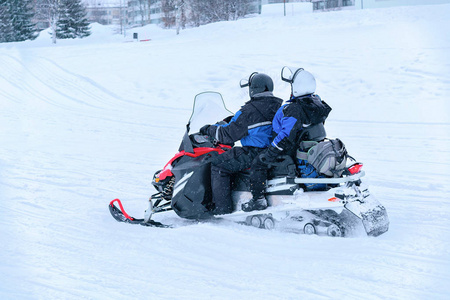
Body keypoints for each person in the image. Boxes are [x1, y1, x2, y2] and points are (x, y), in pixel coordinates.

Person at [242, 67, 332, 212]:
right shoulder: (315, 102)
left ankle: (258, 200)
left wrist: (270, 152)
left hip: (288, 150)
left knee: (258, 163)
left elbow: (285, 135)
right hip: (305, 147)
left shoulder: (294, 109)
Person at [199, 72, 283, 215]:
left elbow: (227, 135)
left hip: (254, 152)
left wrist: (209, 129)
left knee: (218, 165)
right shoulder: (279, 106)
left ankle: (222, 209)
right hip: (273, 151)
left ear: (253, 89)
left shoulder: (249, 111)